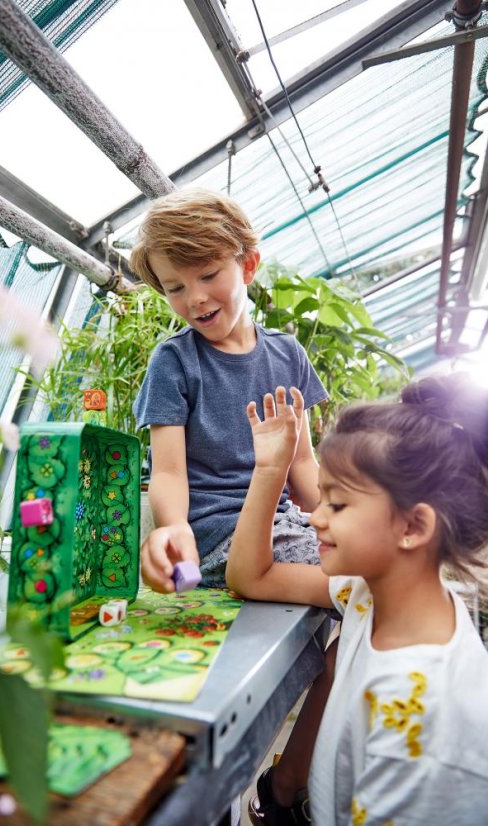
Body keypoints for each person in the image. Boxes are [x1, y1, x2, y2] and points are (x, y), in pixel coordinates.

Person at [226, 377, 488, 825]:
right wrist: (271, 470)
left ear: (412, 527)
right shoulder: (369, 593)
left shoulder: (424, 715)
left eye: (338, 505)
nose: (314, 517)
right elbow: (253, 577)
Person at [129, 188, 328, 590]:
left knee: (364, 560)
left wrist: (339, 521)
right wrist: (175, 527)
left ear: (248, 265)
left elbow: (302, 463)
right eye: (175, 288)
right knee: (357, 583)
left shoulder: (288, 354)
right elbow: (167, 472)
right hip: (221, 536)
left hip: (285, 522)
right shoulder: (174, 362)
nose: (196, 298)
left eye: (207, 275)